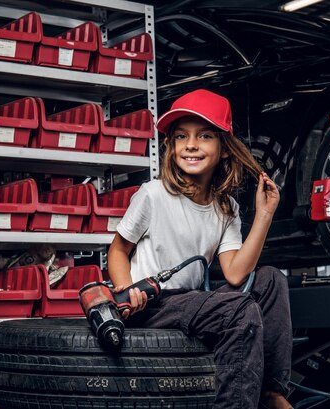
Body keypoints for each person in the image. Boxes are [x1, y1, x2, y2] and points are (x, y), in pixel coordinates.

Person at [108, 89, 293, 409]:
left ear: (223, 149)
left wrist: (264, 215)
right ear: (172, 146)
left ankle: (271, 392)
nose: (191, 144)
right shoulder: (153, 195)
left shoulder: (226, 208)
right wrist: (128, 290)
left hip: (194, 304)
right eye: (181, 136)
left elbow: (236, 273)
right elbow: (118, 250)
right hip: (153, 305)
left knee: (271, 279)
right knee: (239, 310)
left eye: (204, 135)